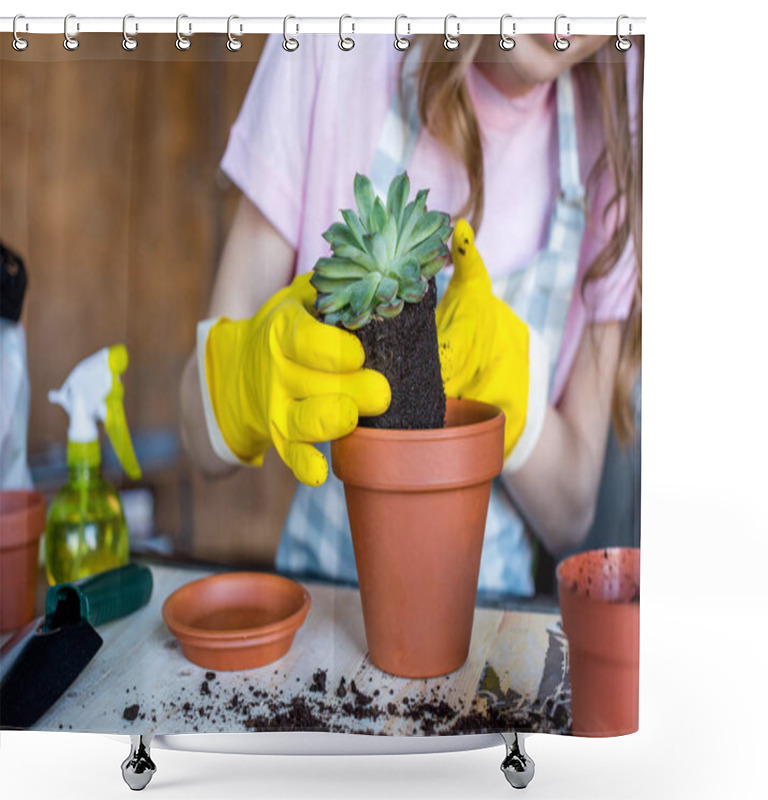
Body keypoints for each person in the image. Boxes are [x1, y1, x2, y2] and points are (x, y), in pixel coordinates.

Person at [179, 32, 643, 596]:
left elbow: (573, 513)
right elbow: (198, 439)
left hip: (492, 617)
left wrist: (510, 393)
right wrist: (242, 378)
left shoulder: (621, 103)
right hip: (319, 600)